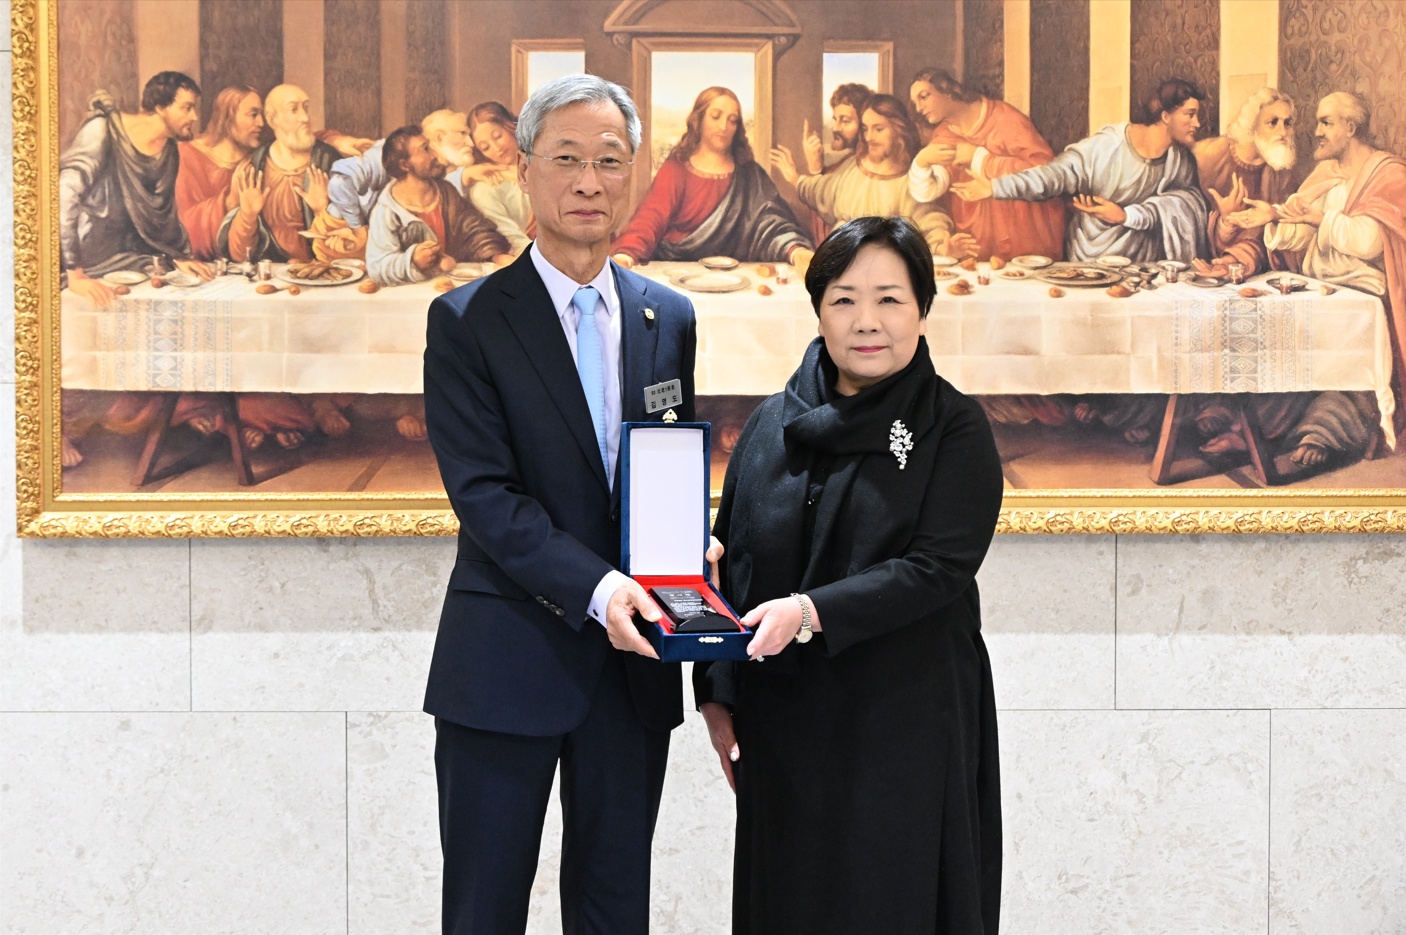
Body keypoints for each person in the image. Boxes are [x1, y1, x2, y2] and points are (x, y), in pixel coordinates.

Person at [422, 74, 707, 935]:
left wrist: (692, 548)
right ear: (526, 172)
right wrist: (602, 586)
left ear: (635, 174)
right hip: (507, 659)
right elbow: (486, 499)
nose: (590, 182)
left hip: (633, 671)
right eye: (569, 160)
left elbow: (662, 468)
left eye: (611, 162)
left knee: (616, 909)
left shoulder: (670, 317)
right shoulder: (467, 321)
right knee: (484, 908)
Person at [694, 216, 1003, 934]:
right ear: (817, 307)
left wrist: (806, 612)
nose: (868, 321)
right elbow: (727, 559)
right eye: (844, 297)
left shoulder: (953, 427)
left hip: (905, 723)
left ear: (923, 308)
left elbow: (936, 567)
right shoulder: (771, 424)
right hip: (785, 730)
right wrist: (716, 692)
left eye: (890, 299)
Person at [1213, 90, 1404, 466]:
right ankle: (1250, 426)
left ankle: (1323, 433)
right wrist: (1275, 219)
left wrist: (1317, 220)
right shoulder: (1326, 173)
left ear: (1351, 128)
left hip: (1364, 296)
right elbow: (1300, 231)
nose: (1315, 131)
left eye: (1326, 122)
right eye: (1316, 121)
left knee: (1341, 356)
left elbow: (1368, 242)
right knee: (1275, 339)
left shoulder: (1389, 173)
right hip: (1322, 290)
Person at [58, 71, 215, 466]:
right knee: (75, 324)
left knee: (178, 309)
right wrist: (74, 274)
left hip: (131, 257)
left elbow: (164, 216)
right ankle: (55, 429)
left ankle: (173, 413)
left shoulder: (169, 151)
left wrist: (180, 256)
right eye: (186, 107)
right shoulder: (103, 132)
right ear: (159, 106)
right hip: (85, 257)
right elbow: (63, 195)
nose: (194, 116)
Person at [952, 77, 1209, 265]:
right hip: (1091, 260)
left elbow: (1188, 204)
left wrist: (1127, 215)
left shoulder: (1180, 160)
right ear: (1165, 116)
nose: (1197, 123)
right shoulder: (1105, 148)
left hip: (1143, 268)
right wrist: (996, 187)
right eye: (1190, 114)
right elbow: (1051, 177)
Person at [611, 86, 814, 267]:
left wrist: (797, 251)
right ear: (699, 120)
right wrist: (626, 255)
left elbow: (773, 223)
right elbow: (650, 218)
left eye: (732, 120)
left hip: (738, 275)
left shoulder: (750, 175)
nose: (724, 126)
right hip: (676, 271)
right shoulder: (676, 169)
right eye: (716, 116)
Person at [907, 67, 1064, 261]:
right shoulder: (944, 134)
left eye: (924, 97)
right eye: (915, 102)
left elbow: (1047, 173)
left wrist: (979, 158)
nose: (919, 108)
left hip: (1022, 238)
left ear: (947, 90)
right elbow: (932, 190)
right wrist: (922, 163)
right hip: (976, 244)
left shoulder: (1005, 119)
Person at [773, 94, 958, 256]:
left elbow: (932, 222)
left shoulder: (914, 180)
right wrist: (795, 178)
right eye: (865, 129)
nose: (869, 137)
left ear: (899, 130)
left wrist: (944, 247)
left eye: (878, 129)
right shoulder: (853, 167)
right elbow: (823, 191)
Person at [314, 108, 481, 261]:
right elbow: (340, 182)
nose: (471, 143)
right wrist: (357, 229)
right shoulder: (392, 151)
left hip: (384, 249)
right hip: (339, 236)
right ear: (438, 137)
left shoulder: (443, 171)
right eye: (462, 134)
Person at [365, 125, 511, 287]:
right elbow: (377, 266)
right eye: (425, 149)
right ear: (404, 165)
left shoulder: (446, 192)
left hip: (455, 288)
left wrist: (496, 255)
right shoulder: (387, 211)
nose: (435, 155)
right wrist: (412, 260)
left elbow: (476, 230)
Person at [218, 84, 340, 264]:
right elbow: (239, 256)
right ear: (272, 119)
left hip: (319, 273)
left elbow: (350, 249)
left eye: (306, 108)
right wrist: (247, 216)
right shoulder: (251, 169)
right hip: (271, 274)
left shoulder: (331, 163)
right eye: (294, 109)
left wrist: (321, 211)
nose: (305, 117)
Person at [1191, 87, 1298, 279]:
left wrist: (1231, 262)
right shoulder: (1208, 155)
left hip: (1239, 269)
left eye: (1288, 123)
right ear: (1252, 125)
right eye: (1273, 122)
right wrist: (1225, 221)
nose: (1283, 132)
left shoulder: (1281, 171)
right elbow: (1186, 214)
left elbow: (1262, 239)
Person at [176, 85, 265, 261]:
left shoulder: (256, 160)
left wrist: (334, 138)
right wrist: (229, 201)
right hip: (199, 267)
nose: (261, 122)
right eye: (253, 114)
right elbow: (182, 228)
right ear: (228, 117)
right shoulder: (186, 155)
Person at [465, 101, 535, 256]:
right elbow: (511, 236)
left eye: (497, 136)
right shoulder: (486, 189)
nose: (497, 149)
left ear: (510, 126)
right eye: (485, 147)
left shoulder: (544, 161)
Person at [802, 81, 871, 175]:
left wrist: (813, 166)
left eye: (845, 121)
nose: (835, 128)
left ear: (864, 126)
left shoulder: (870, 166)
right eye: (835, 120)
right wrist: (816, 165)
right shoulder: (849, 161)